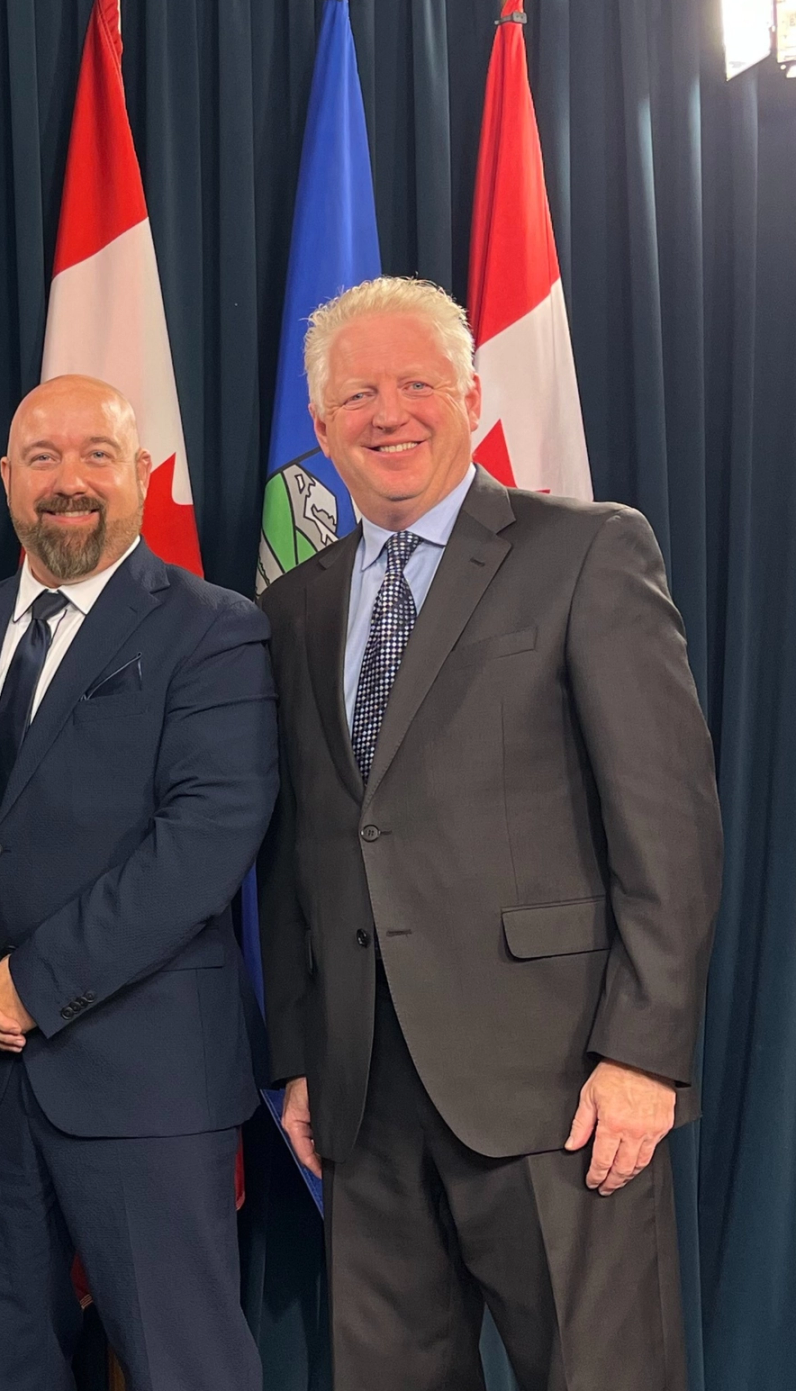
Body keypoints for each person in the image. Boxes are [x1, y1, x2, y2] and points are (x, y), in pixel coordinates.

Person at [259, 276, 722, 1390]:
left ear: (470, 395)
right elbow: (303, 851)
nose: (390, 413)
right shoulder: (292, 605)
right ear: (321, 427)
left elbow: (668, 821)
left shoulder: (587, 550)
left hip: (559, 1085)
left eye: (417, 383)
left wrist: (645, 1053)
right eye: (358, 393)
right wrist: (301, 1057)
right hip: (367, 1095)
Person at [0, 375, 277, 1391]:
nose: (69, 480)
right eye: (42, 457)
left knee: (188, 1365)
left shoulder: (213, 629)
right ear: (5, 479)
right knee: (9, 1366)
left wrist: (28, 983)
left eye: (98, 453)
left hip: (145, 1079)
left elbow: (203, 842)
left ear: (143, 473)